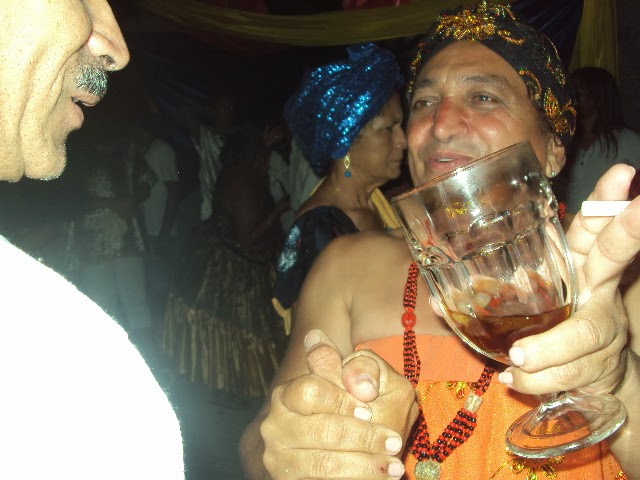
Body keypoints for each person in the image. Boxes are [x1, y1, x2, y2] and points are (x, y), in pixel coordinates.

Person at [240, 3, 640, 479]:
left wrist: (619, 381)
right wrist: (299, 451)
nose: (441, 124)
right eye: (424, 103)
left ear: (554, 149)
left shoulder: (618, 272)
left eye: (484, 97)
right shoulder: (347, 265)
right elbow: (258, 446)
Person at [0, 1, 184, 479]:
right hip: (95, 242)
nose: (117, 50)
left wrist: (134, 203)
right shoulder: (85, 160)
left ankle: (156, 366)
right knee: (109, 304)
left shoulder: (120, 154)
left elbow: (145, 186)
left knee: (133, 308)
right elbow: (77, 202)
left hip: (124, 239)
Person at [273, 43, 407, 322]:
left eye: (400, 127)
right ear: (345, 143)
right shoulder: (319, 230)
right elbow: (318, 333)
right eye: (388, 129)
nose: (403, 141)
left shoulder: (374, 202)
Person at [165, 125, 289, 405]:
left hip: (224, 252)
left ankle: (231, 388)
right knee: (242, 327)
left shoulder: (235, 174)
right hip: (234, 262)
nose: (268, 158)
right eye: (263, 153)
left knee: (233, 329)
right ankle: (234, 389)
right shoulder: (243, 184)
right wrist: (279, 210)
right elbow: (248, 238)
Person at [555, 66, 640, 224]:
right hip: (565, 229)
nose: (572, 98)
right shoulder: (563, 142)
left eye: (579, 91)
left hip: (607, 231)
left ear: (599, 96)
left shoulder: (627, 141)